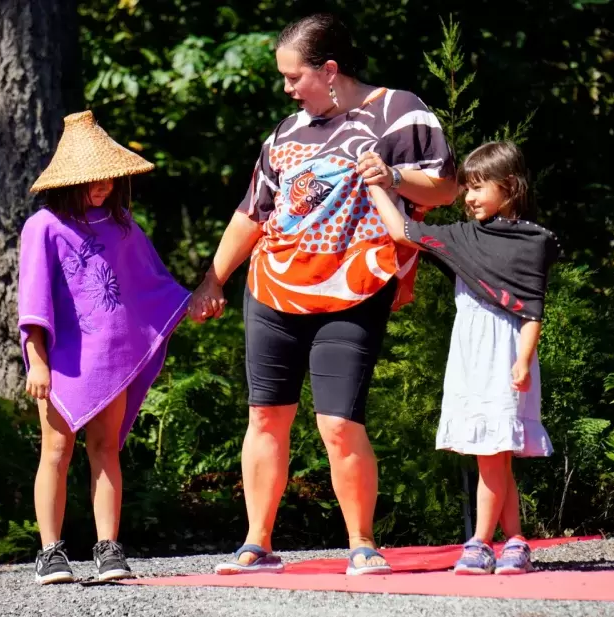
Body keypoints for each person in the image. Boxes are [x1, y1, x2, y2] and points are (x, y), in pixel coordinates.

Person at [189, 13, 456, 576]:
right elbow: (253, 212)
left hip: (355, 289)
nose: (287, 88)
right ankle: (256, 544)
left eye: (294, 77)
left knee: (338, 421)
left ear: (329, 70)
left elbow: (447, 185)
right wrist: (213, 277)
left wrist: (392, 177)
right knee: (265, 415)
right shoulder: (286, 132)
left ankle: (362, 543)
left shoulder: (398, 111)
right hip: (272, 288)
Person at [367, 141, 560, 575]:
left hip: (505, 356)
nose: (467, 197)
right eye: (465, 188)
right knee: (493, 453)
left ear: (508, 186)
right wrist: (378, 186)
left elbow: (532, 311)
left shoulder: (529, 242)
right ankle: (514, 542)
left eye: (477, 187)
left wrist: (524, 362)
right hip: (470, 355)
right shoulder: (464, 238)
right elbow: (403, 232)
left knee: (493, 451)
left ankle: (479, 542)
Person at [19, 111, 190, 584]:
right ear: (71, 180)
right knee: (56, 449)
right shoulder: (43, 226)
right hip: (62, 362)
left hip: (112, 358)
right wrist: (36, 359)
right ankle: (50, 552)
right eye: (94, 179)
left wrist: (191, 302)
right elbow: (32, 300)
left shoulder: (123, 226)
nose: (105, 186)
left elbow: (150, 283)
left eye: (110, 177)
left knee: (106, 448)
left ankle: (108, 548)